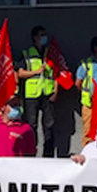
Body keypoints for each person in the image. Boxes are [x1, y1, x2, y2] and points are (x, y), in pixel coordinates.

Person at [17, 26, 58, 157]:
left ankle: (48, 155)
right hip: (32, 94)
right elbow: (20, 73)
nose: (44, 37)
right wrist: (36, 71)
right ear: (35, 37)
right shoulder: (27, 53)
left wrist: (55, 90)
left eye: (45, 35)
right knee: (31, 125)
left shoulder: (50, 53)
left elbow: (57, 73)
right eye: (41, 35)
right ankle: (30, 154)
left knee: (49, 125)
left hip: (47, 93)